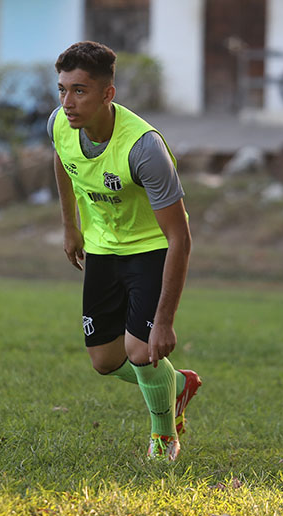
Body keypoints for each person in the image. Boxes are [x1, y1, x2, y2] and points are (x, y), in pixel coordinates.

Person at [48, 41, 201, 462]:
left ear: (107, 94)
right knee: (104, 360)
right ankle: (177, 385)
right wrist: (70, 226)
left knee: (141, 351)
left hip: (150, 249)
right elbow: (64, 160)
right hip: (101, 249)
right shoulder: (61, 123)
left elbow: (180, 237)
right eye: (62, 89)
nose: (68, 102)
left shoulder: (144, 148)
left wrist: (164, 323)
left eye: (79, 91)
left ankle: (164, 438)